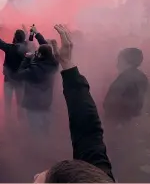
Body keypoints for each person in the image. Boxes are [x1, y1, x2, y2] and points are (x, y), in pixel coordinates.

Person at [33, 24, 114, 183]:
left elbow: (89, 131)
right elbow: (87, 129)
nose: (35, 176)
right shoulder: (95, 177)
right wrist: (67, 65)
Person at [0, 22, 29, 122]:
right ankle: (21, 121)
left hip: (8, 80)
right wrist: (27, 32)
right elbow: (28, 42)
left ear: (15, 37)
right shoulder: (26, 49)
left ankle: (8, 122)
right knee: (20, 103)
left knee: (8, 103)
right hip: (20, 80)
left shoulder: (10, 48)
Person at [16, 42, 59, 138]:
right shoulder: (54, 65)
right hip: (46, 102)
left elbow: (19, 74)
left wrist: (26, 59)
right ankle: (47, 146)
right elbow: (50, 58)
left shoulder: (33, 69)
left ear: (39, 54)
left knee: (35, 130)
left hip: (33, 104)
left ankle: (38, 148)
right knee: (45, 128)